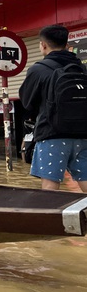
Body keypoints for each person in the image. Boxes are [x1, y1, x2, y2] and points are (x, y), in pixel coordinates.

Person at [18, 25, 87, 192]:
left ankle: (52, 218)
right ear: (66, 43)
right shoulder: (81, 68)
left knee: (50, 189)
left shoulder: (38, 69)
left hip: (52, 134)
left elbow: (27, 102)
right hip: (83, 135)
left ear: (43, 45)